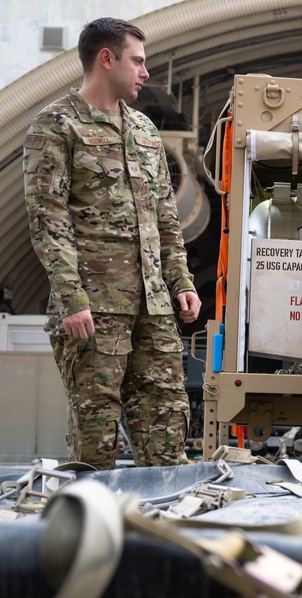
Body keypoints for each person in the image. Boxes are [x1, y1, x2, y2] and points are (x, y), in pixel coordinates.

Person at [23, 18, 200, 470]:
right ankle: (92, 533)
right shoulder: (56, 126)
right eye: (137, 61)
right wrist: (72, 296)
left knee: (166, 430)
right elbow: (49, 218)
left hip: (153, 306)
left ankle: (162, 533)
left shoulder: (144, 131)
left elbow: (165, 216)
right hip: (94, 308)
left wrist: (181, 280)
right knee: (96, 439)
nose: (145, 72)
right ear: (107, 58)